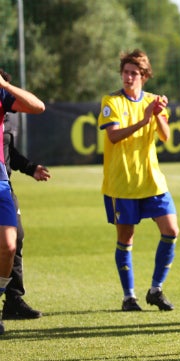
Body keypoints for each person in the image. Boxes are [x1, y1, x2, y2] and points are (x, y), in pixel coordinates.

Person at [98, 49, 178, 312]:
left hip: (152, 181)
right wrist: (144, 119)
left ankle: (155, 289)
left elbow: (166, 136)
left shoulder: (154, 100)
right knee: (126, 237)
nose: (128, 77)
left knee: (171, 230)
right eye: (125, 73)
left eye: (134, 73)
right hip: (121, 183)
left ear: (144, 76)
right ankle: (128, 297)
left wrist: (155, 115)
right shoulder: (112, 102)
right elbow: (113, 136)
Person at [0, 69, 46, 335]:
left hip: (2, 181)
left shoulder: (7, 111)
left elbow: (38, 106)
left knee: (13, 239)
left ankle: (12, 297)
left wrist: (31, 168)